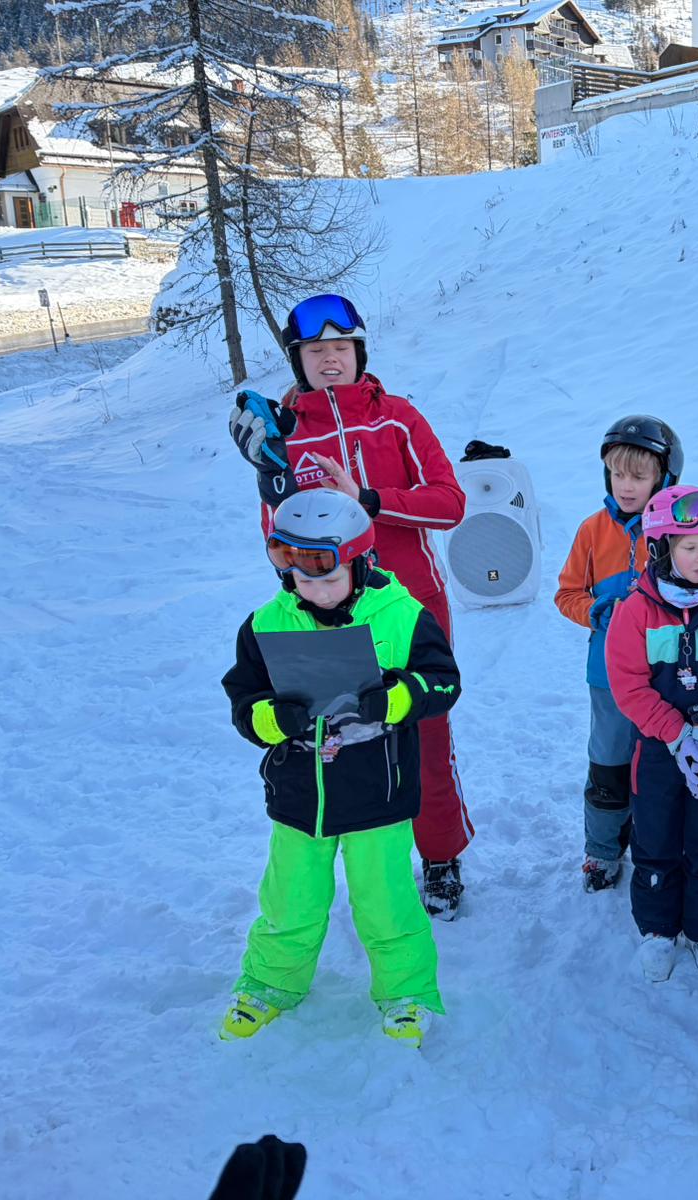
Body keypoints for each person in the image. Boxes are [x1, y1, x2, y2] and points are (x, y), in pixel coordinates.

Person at [227, 294, 473, 917]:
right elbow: (279, 545)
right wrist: (272, 487)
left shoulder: (396, 418)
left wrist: (367, 499)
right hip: (326, 614)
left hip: (408, 607)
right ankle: (357, 867)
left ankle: (440, 856)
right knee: (339, 736)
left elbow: (450, 503)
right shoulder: (284, 434)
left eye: (341, 347)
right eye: (315, 350)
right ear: (298, 359)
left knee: (424, 729)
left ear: (359, 352)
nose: (330, 359)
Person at [218, 490, 460, 1048]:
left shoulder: (401, 615)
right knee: (290, 901)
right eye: (303, 579)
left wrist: (396, 699)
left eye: (329, 578)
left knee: (385, 902)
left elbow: (445, 683)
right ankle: (270, 984)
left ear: (361, 561)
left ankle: (407, 993)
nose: (318, 591)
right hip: (299, 799)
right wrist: (274, 718)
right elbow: (243, 703)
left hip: (378, 795)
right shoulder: (265, 625)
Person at [604, 485, 698, 983]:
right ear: (660, 548)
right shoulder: (636, 610)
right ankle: (658, 930)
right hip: (656, 750)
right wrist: (676, 735)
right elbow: (628, 685)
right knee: (655, 839)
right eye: (690, 547)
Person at [554, 416, 682, 892]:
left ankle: (659, 843)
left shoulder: (678, 530)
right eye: (617, 474)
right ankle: (603, 849)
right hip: (607, 673)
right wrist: (596, 611)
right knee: (609, 759)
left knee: (658, 763)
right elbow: (567, 594)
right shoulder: (592, 530)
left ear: (664, 477)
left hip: (665, 674)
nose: (626, 486)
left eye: (639, 476)